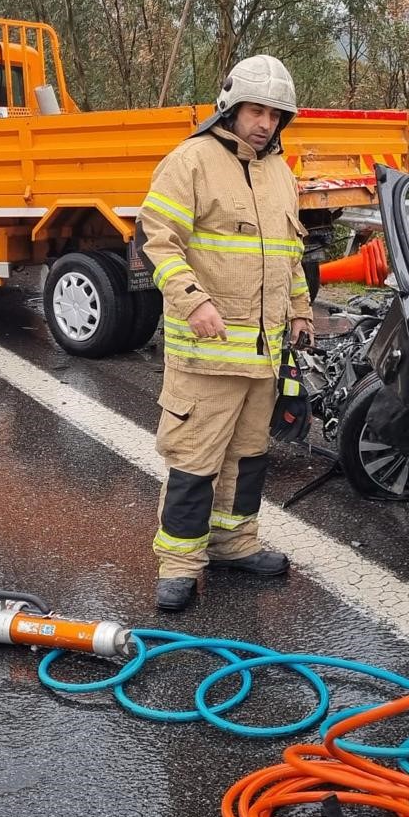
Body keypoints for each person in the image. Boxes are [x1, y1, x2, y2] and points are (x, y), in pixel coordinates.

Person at [137, 55, 315, 613]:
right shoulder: (190, 161)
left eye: (274, 114)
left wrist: (302, 311)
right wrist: (193, 304)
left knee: (248, 459)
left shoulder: (279, 173)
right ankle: (180, 565)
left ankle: (234, 545)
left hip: (262, 356)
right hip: (206, 354)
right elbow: (157, 241)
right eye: (256, 110)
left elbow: (290, 255)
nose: (264, 123)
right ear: (232, 107)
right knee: (194, 462)